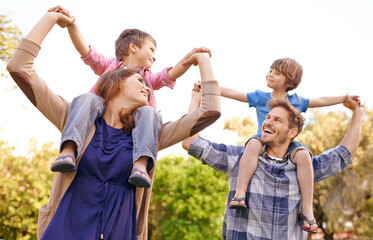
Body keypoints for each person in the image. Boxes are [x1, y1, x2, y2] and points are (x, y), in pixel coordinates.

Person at [6, 10, 220, 240]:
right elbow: (19, 68)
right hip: (66, 231)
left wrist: (202, 59)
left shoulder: (148, 136)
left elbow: (209, 111)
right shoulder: (75, 119)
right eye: (140, 80)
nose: (148, 87)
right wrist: (52, 19)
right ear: (116, 82)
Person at [47, 6, 212, 189]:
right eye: (151, 49)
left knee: (149, 112)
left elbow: (171, 74)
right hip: (103, 116)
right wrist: (71, 24)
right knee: (87, 98)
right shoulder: (110, 66)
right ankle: (69, 149)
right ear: (133, 47)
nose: (155, 57)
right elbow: (86, 51)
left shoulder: (147, 79)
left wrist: (191, 57)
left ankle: (140, 164)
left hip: (131, 123)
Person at [182, 93, 363, 239]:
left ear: (292, 132)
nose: (267, 122)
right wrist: (196, 99)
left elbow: (345, 154)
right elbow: (190, 142)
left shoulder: (304, 169)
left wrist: (357, 112)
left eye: (277, 120)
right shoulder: (240, 158)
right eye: (267, 117)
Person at [219, 58, 360, 232]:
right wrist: (209, 88)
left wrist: (344, 98)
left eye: (277, 73)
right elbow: (234, 93)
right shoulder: (260, 97)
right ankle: (240, 194)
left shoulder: (297, 101)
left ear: (289, 81)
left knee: (303, 155)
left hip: (287, 143)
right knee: (252, 146)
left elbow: (321, 100)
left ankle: (307, 210)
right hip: (262, 140)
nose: (270, 75)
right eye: (270, 71)